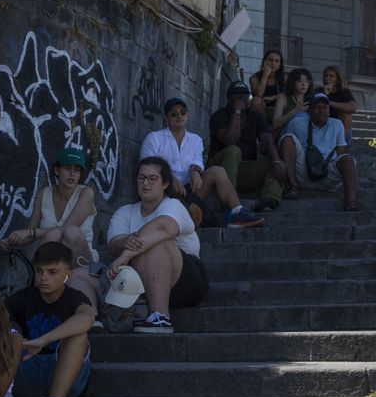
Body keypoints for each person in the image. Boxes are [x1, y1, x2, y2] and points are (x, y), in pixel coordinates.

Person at [105, 157, 209, 334]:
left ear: (165, 183)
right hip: (141, 280)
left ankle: (160, 316)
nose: (146, 183)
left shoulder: (173, 205)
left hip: (186, 281)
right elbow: (114, 243)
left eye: (152, 178)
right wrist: (124, 242)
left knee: (158, 243)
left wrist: (125, 256)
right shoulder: (125, 212)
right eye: (141, 178)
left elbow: (163, 227)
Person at [3, 242, 94, 397]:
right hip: (27, 372)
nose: (44, 278)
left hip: (65, 377)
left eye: (52, 272)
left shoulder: (75, 298)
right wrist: (14, 334)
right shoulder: (23, 297)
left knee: (79, 335)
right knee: (7, 331)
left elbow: (87, 318)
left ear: (68, 273)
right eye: (39, 271)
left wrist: (43, 340)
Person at [0, 147, 101, 313]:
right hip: (56, 265)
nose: (72, 174)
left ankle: (41, 287)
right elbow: (30, 233)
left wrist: (31, 232)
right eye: (67, 168)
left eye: (77, 170)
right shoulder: (43, 194)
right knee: (54, 235)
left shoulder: (86, 193)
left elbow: (62, 228)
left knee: (69, 232)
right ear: (57, 170)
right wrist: (12, 241)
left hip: (86, 264)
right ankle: (41, 292)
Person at [141, 97, 264, 228]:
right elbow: (146, 166)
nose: (179, 116)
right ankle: (185, 216)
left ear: (187, 115)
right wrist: (169, 178)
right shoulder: (154, 138)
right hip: (165, 191)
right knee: (206, 220)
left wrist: (194, 172)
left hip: (189, 190)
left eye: (182, 112)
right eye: (173, 114)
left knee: (217, 171)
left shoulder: (195, 140)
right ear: (166, 118)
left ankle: (236, 212)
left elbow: (197, 162)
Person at [208, 80, 286, 213]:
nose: (241, 98)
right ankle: (229, 200)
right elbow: (231, 140)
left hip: (244, 168)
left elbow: (267, 142)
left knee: (279, 165)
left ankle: (268, 201)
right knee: (233, 150)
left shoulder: (255, 117)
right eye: (236, 95)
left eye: (244, 95)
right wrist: (237, 112)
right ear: (228, 98)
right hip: (220, 170)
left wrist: (276, 161)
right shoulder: (218, 116)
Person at [278, 93, 359, 211]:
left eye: (325, 107)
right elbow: (284, 147)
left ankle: (351, 202)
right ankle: (293, 187)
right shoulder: (297, 122)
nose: (321, 110)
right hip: (303, 172)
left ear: (329, 111)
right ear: (309, 110)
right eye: (317, 107)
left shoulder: (337, 124)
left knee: (349, 159)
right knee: (287, 139)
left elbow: (341, 153)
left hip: (327, 174)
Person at [321, 65, 359, 144]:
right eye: (326, 76)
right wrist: (325, 94)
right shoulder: (319, 91)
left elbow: (353, 108)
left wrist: (329, 102)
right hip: (322, 124)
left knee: (346, 113)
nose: (327, 78)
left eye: (331, 76)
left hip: (339, 128)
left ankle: (340, 143)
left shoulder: (344, 92)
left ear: (337, 80)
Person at [271, 67, 316, 132]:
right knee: (301, 115)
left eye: (307, 81)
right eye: (300, 81)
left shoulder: (311, 99)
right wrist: (295, 111)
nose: (304, 84)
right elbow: (275, 124)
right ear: (292, 82)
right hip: (286, 134)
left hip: (305, 134)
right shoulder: (283, 98)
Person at [248, 49, 286, 117]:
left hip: (279, 108)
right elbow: (258, 94)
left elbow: (290, 93)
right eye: (270, 60)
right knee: (256, 100)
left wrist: (273, 97)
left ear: (280, 64)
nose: (273, 63)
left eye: (277, 61)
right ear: (265, 61)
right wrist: (265, 74)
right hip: (262, 110)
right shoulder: (254, 78)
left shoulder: (284, 78)